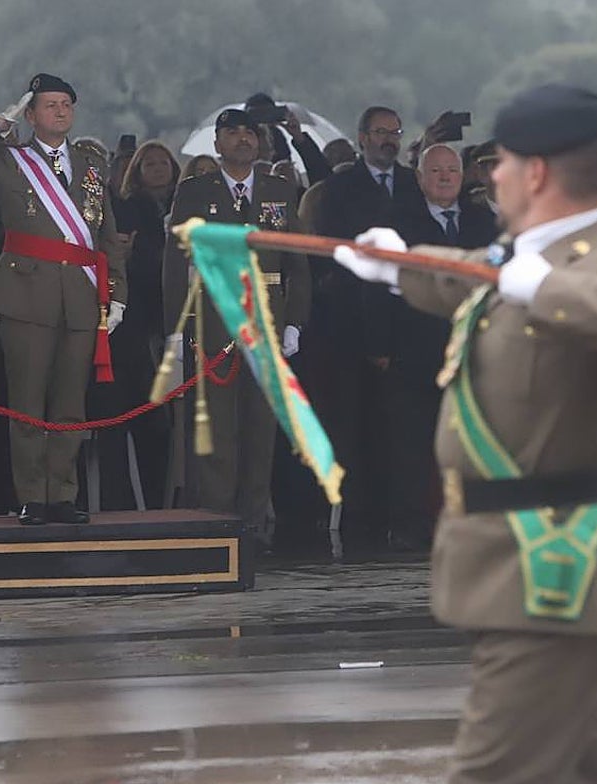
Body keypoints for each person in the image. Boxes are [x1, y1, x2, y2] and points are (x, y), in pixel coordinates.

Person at [334, 84, 597, 784]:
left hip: (553, 570)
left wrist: (550, 291)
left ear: (535, 173)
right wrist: (399, 266)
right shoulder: (527, 256)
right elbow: (474, 278)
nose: (487, 178)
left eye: (498, 164)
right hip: (520, 566)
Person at [0, 73, 128, 526]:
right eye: (49, 105)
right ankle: (32, 495)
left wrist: (116, 293)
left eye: (67, 103)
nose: (61, 111)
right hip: (26, 293)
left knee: (70, 403)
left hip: (82, 294)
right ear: (30, 114)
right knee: (27, 402)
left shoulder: (88, 163)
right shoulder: (8, 161)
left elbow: (106, 234)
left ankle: (62, 493)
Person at [162, 108, 311, 546]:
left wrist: (294, 323)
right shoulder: (195, 192)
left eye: (250, 132)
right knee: (217, 428)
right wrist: (175, 328)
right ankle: (216, 524)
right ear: (218, 143)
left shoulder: (280, 191)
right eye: (233, 133)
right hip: (213, 320)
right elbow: (175, 263)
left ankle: (252, 525)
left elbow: (296, 263)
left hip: (266, 323)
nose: (243, 139)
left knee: (260, 428)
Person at [372, 143, 497, 550]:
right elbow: (377, 286)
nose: (445, 177)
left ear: (464, 178)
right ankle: (410, 526)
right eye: (436, 171)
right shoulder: (397, 222)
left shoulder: (484, 223)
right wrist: (381, 344)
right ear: (421, 178)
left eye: (452, 171)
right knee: (413, 444)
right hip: (414, 349)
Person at [315, 105, 424, 542]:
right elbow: (333, 250)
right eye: (380, 132)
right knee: (354, 425)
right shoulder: (341, 187)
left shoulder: (412, 188)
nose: (389, 140)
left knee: (398, 428)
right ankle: (358, 519)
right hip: (351, 323)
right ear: (361, 138)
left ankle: (399, 514)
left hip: (403, 324)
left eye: (395, 133)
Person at [94, 140, 180, 510]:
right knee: (110, 429)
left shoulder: (144, 208)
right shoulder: (92, 209)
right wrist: (113, 258)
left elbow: (161, 270)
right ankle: (117, 510)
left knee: (153, 429)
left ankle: (159, 508)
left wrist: (130, 257)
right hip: (104, 337)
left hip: (144, 335)